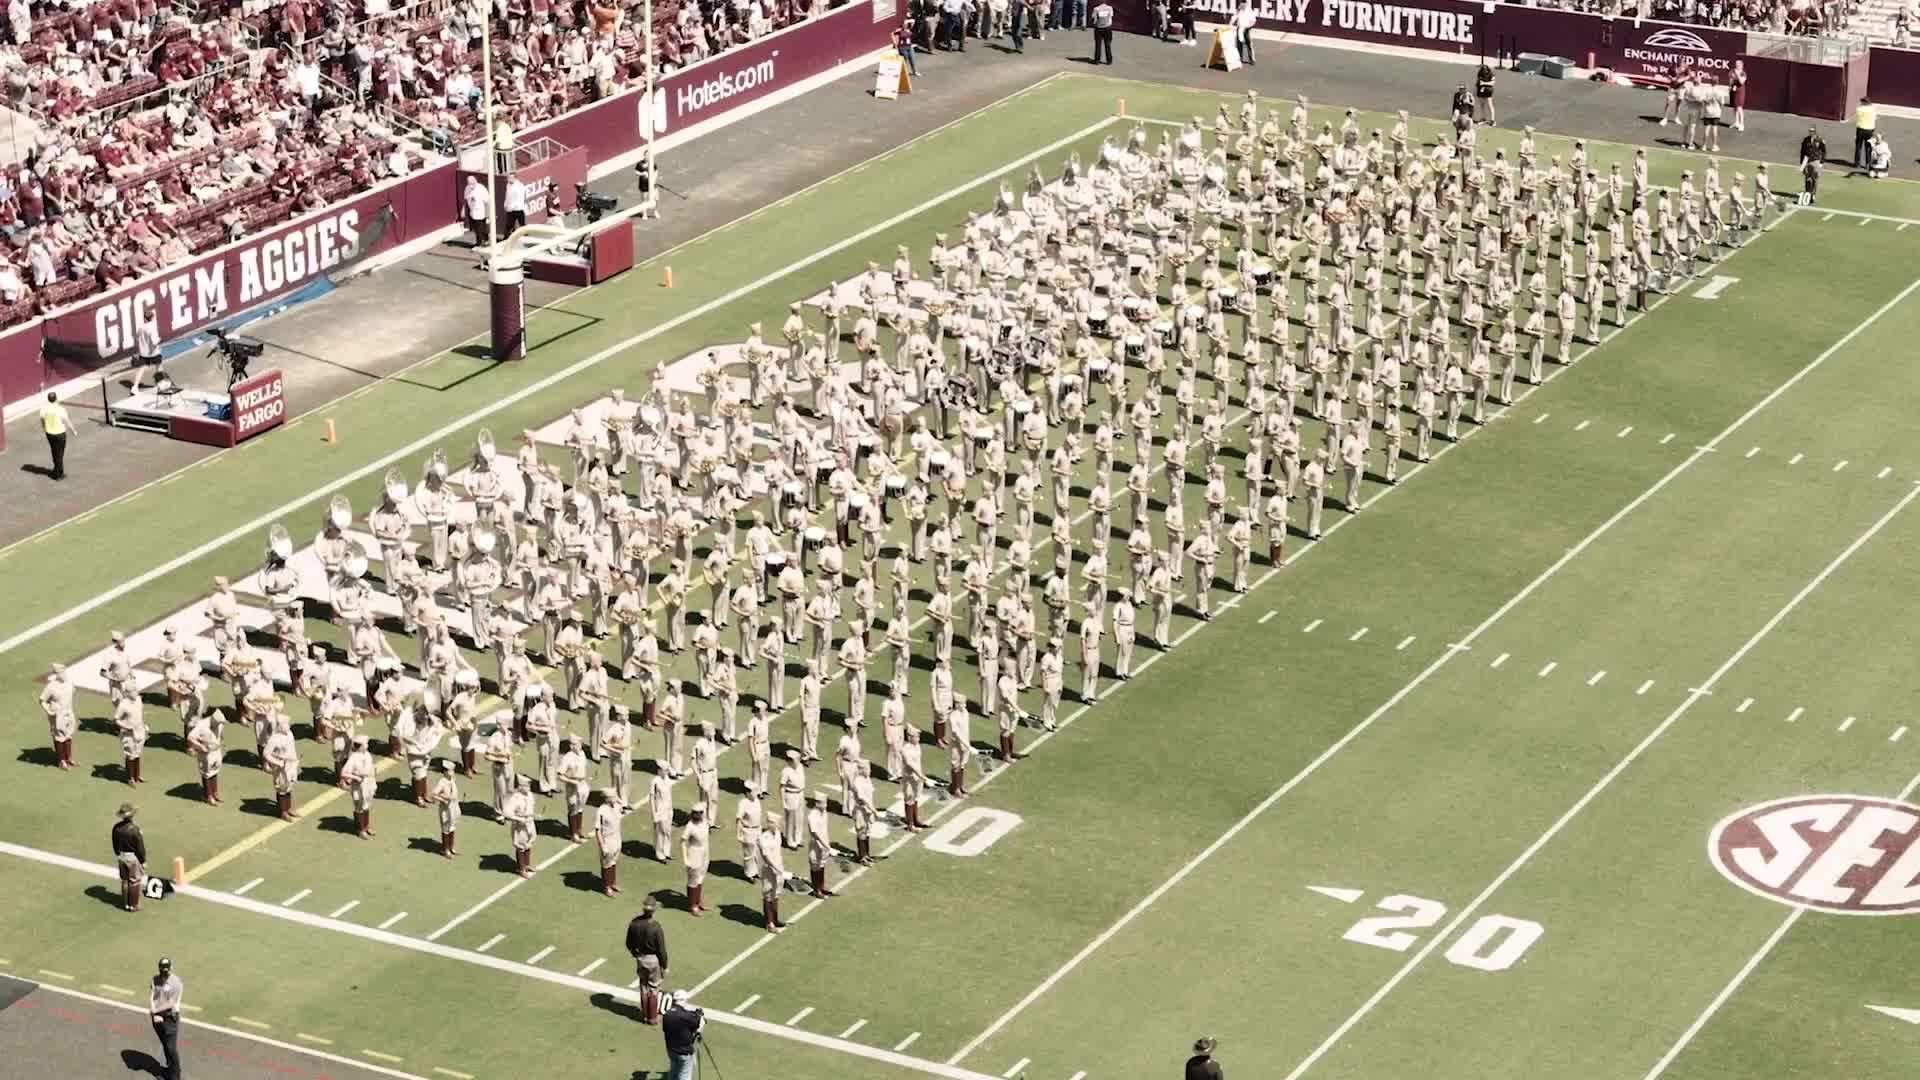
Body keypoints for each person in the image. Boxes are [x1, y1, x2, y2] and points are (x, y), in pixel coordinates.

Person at [626, 896, 669, 1023]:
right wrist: (664, 965)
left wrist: (635, 954)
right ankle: (653, 1017)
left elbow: (628, 943)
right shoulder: (656, 927)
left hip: (640, 958)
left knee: (643, 986)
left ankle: (645, 1016)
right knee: (654, 988)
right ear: (654, 910)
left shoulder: (634, 923)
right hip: (653, 959)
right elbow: (661, 950)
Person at [149, 957, 184, 1080]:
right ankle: (170, 1069)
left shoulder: (176, 983)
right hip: (157, 1018)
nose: (165, 970)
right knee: (165, 1044)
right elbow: (152, 996)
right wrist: (154, 1014)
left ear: (171, 968)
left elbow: (171, 1003)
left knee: (171, 1048)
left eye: (167, 968)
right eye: (162, 968)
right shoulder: (155, 979)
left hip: (170, 1019)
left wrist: (156, 1011)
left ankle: (175, 1076)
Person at [661, 990, 703, 1080]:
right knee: (684, 1076)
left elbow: (665, 1029)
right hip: (684, 1052)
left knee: (674, 1071)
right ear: (683, 1000)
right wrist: (699, 1018)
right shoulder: (687, 1017)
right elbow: (697, 1026)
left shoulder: (667, 1014)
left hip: (671, 1050)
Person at [112, 802, 146, 912]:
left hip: (121, 856)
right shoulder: (135, 830)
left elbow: (114, 844)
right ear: (132, 816)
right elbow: (140, 847)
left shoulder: (116, 828)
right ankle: (133, 905)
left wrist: (118, 854)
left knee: (124, 880)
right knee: (135, 881)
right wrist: (143, 861)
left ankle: (126, 903)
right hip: (132, 858)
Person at [40, 391, 71, 481]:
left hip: (49, 433)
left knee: (54, 451)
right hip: (60, 433)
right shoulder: (60, 409)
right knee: (60, 453)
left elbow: (42, 420)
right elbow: (67, 420)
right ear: (56, 398)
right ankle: (58, 474)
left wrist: (44, 428)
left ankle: (58, 470)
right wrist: (73, 430)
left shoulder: (44, 409)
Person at [127, 318, 163, 393]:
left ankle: (135, 387)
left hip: (143, 353)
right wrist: (159, 339)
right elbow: (154, 342)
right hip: (154, 352)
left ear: (145, 318)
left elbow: (137, 337)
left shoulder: (141, 327)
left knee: (141, 369)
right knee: (159, 367)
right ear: (152, 318)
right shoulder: (153, 327)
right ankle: (160, 384)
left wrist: (143, 343)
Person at [1855, 96, 1877, 169]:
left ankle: (1857, 163)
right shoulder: (1873, 109)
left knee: (1858, 146)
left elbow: (1857, 117)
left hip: (1860, 129)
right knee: (1868, 147)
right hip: (1870, 130)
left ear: (1863, 102)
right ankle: (1868, 164)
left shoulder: (1859, 109)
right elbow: (1874, 118)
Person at [1091, 0, 1114, 64]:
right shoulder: (1110, 8)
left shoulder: (1096, 9)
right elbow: (1110, 19)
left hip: (1098, 28)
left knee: (1098, 45)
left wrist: (1096, 25)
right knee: (1108, 45)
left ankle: (1097, 60)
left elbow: (1094, 20)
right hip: (1107, 28)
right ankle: (1109, 60)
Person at [1474, 61, 1496, 125]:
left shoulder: (1491, 73)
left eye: (1485, 67)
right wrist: (1475, 90)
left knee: (1489, 105)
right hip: (1480, 90)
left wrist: (1484, 83)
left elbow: (1492, 83)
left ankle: (1492, 120)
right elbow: (1477, 81)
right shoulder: (1480, 72)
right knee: (1481, 105)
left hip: (1488, 90)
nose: (1483, 68)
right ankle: (1483, 119)